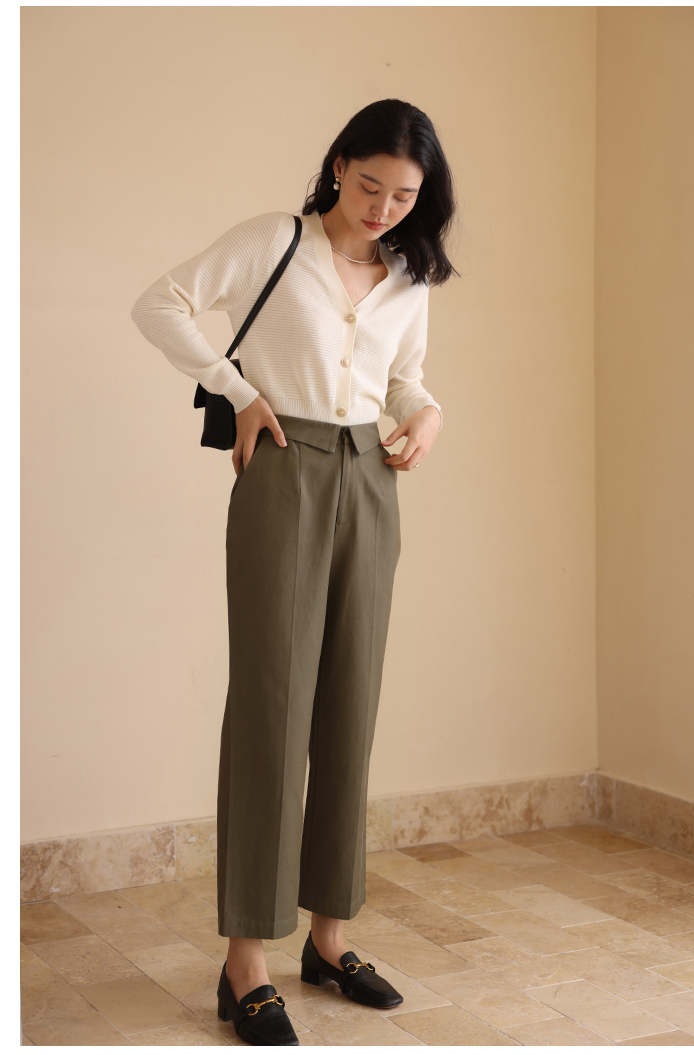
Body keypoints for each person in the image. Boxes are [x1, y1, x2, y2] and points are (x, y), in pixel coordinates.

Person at [130, 97, 458, 1045]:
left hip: (372, 478)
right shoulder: (275, 241)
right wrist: (237, 390)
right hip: (286, 465)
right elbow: (159, 302)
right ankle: (246, 962)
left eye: (404, 196)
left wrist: (427, 410)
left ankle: (330, 937)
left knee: (351, 703)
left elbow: (402, 377)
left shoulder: (409, 276)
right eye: (370, 185)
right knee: (273, 706)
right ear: (339, 166)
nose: (383, 208)